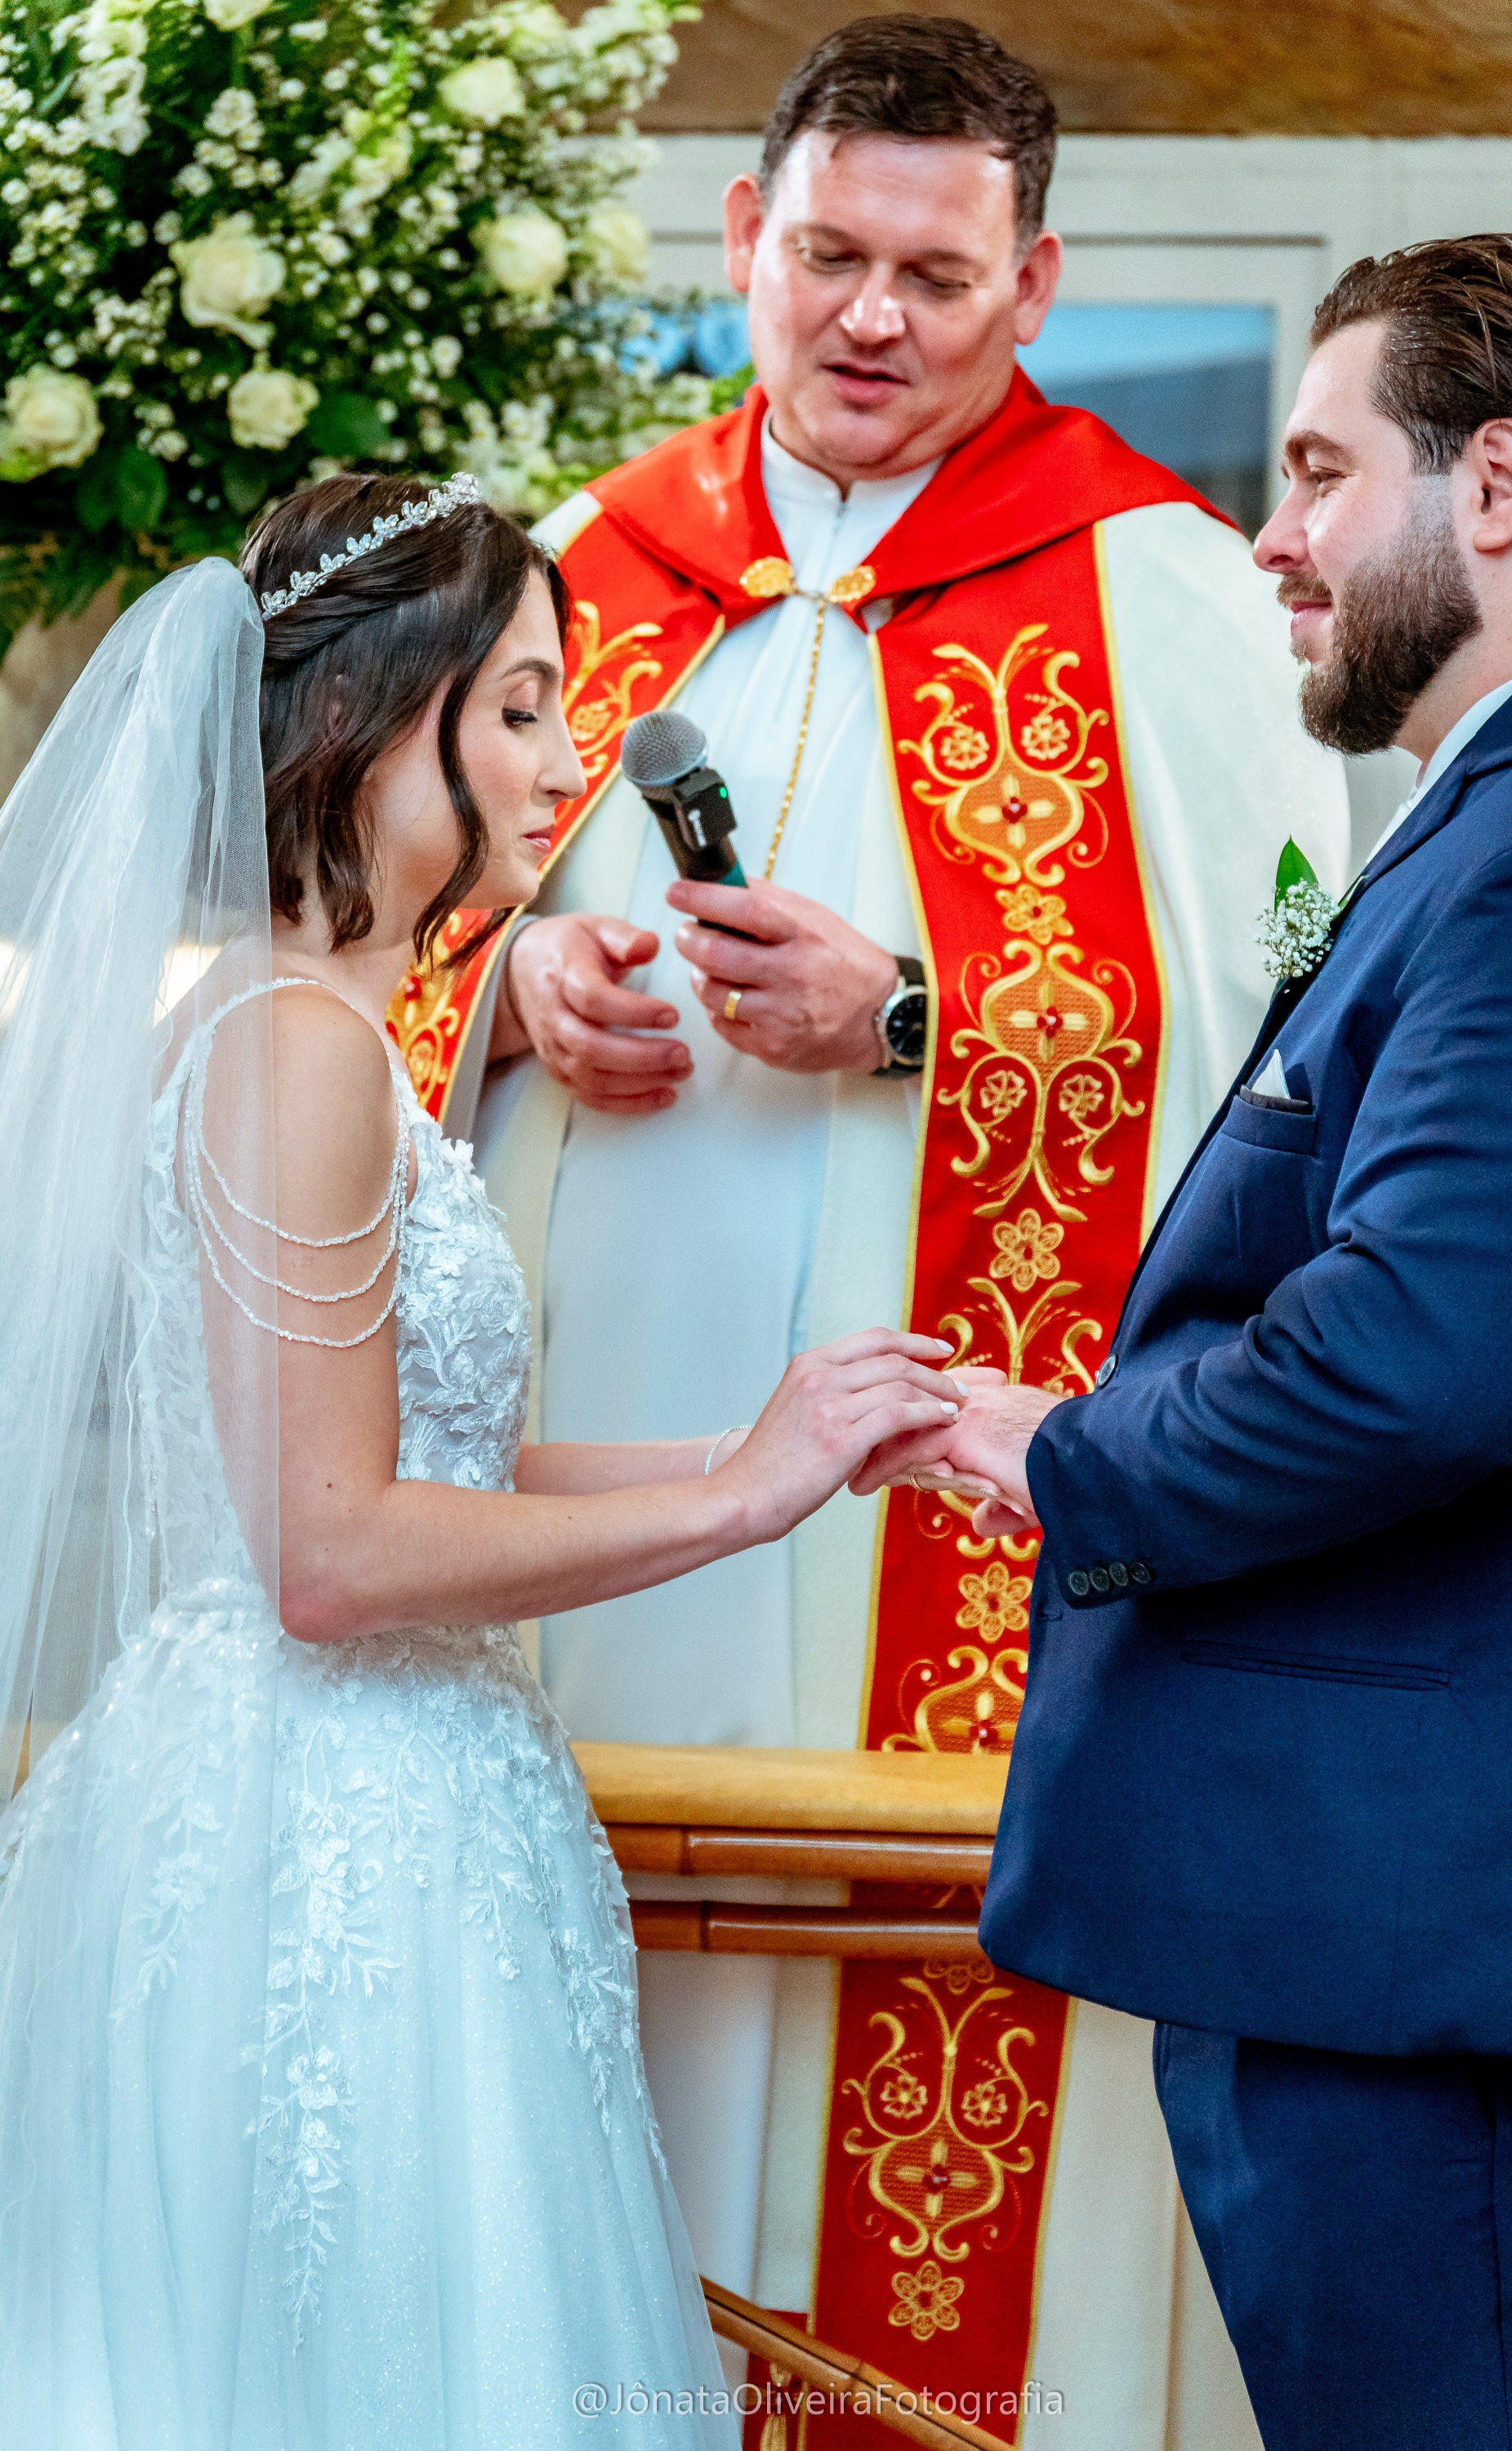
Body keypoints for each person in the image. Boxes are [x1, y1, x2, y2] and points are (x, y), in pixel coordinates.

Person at [386, 17, 1345, 2421]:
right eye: (826, 252)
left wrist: (917, 1013)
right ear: (744, 240)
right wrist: (509, 996)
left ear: (1035, 283)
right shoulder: (582, 578)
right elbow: (349, 949)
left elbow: (1297, 1038)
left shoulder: (1170, 594)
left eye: (934, 271)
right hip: (589, 1542)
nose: (870, 316)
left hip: (953, 1545)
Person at [0, 471, 964, 2449]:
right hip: (322, 1829)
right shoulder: (293, 1050)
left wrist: (777, 1434)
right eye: (519, 704)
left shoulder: (319, 1031)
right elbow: (330, 1554)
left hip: (375, 1790)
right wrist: (741, 1502)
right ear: (373, 715)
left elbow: (436, 1447)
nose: (564, 759)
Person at [858, 232, 1512, 2451]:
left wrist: (1068, 1452)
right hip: (1416, 1930)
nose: (1272, 539)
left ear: (1497, 483)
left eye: (1316, 472)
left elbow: (1430, 1350)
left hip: (1436, 1955)